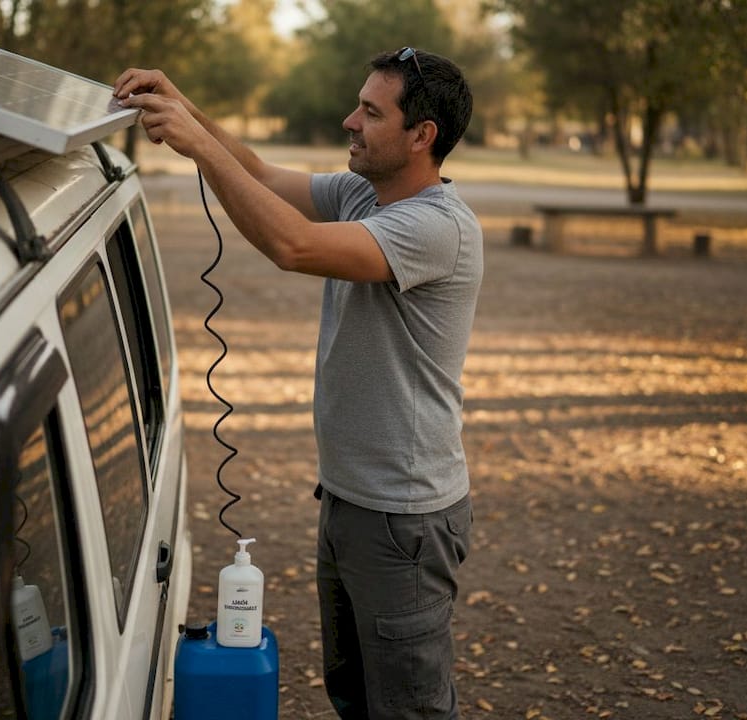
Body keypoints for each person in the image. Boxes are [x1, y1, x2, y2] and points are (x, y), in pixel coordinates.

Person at [115, 47, 481, 720]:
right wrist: (185, 106)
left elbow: (294, 247)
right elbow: (255, 172)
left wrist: (197, 144)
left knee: (408, 708)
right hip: (349, 499)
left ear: (422, 136)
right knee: (355, 695)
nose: (350, 121)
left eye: (371, 112)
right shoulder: (361, 194)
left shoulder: (436, 228)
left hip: (403, 517)